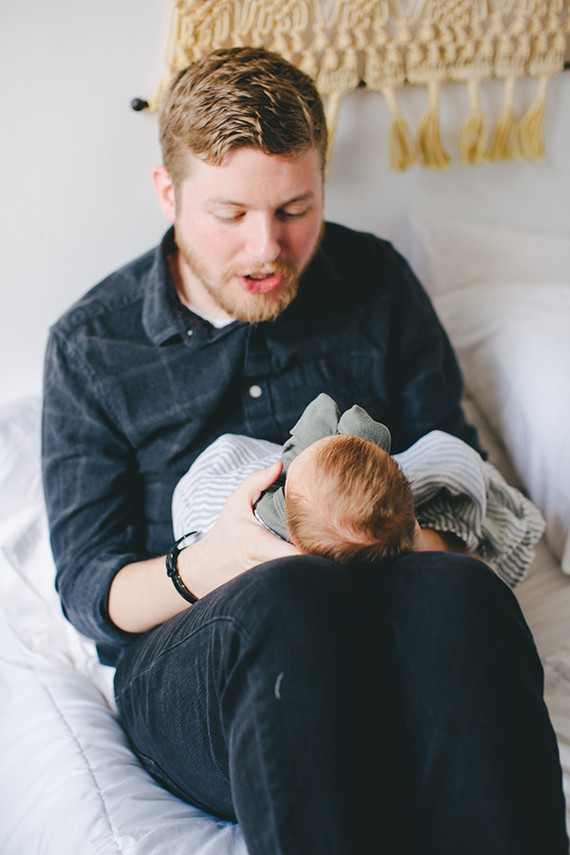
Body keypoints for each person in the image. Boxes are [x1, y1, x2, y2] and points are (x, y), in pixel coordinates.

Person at [41, 46, 568, 854]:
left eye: (296, 208)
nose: (268, 249)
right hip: (207, 652)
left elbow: (460, 463)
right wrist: (205, 565)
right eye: (231, 215)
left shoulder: (376, 281)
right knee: (290, 598)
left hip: (393, 598)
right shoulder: (92, 346)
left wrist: (413, 535)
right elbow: (87, 586)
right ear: (168, 193)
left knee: (461, 593)